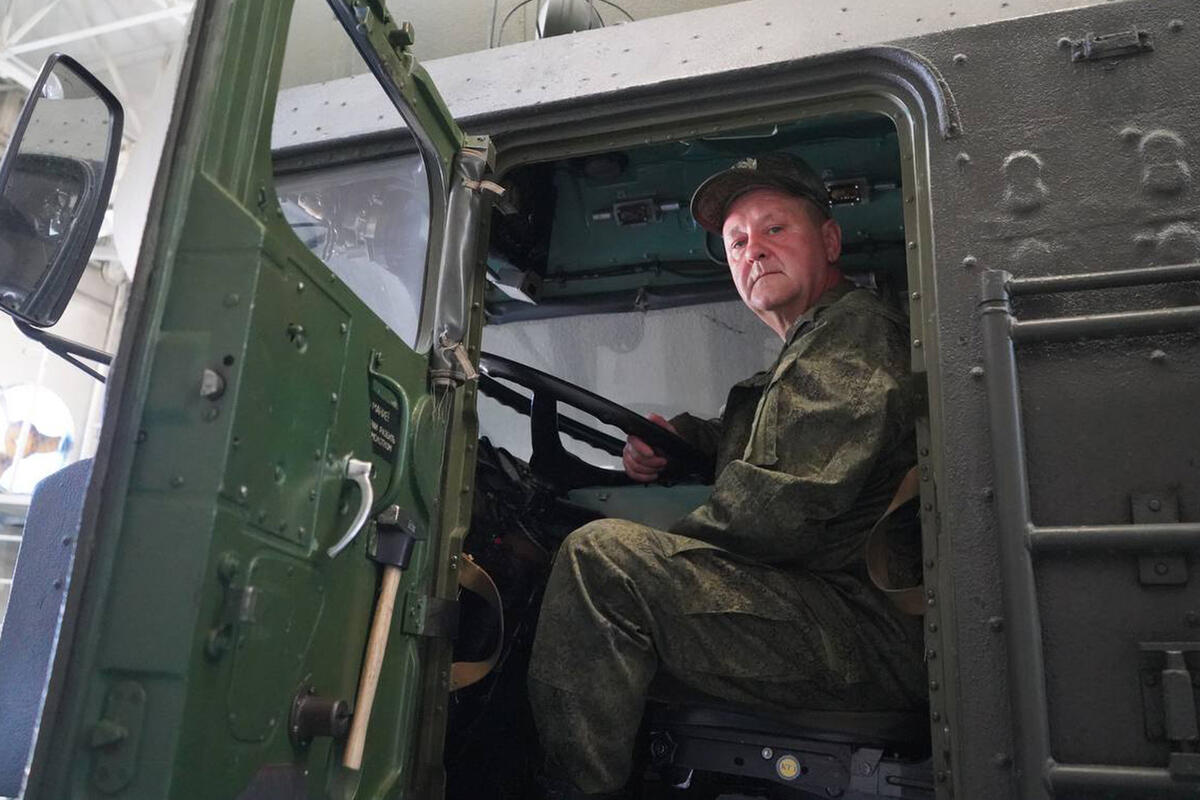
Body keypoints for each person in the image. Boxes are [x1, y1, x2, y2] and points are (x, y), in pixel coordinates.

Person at [527, 153, 926, 799]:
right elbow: (778, 433)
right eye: (737, 242)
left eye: (775, 229)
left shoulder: (855, 331)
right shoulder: (817, 340)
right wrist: (684, 440)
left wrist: (660, 549)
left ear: (829, 241)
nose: (753, 250)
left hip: (862, 631)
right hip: (834, 613)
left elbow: (781, 508)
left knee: (602, 563)